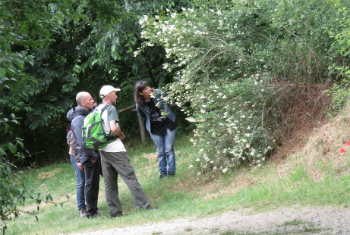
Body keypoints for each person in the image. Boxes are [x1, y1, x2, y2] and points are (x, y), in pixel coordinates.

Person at [98, 85, 156, 218]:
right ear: (108, 95)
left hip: (103, 149)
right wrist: (122, 135)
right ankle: (144, 206)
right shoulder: (110, 108)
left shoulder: (97, 109)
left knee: (109, 183)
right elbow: (113, 128)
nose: (116, 96)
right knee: (130, 178)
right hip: (115, 149)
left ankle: (115, 213)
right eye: (114, 94)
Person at [67, 92, 101, 218]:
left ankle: (94, 208)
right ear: (83, 103)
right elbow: (81, 142)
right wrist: (91, 156)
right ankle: (90, 211)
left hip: (93, 154)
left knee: (94, 182)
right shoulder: (78, 120)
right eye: (90, 99)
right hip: (88, 156)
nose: (93, 101)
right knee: (89, 183)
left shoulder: (85, 115)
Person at [134, 81, 177, 180]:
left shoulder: (158, 93)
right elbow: (142, 115)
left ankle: (171, 172)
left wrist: (166, 113)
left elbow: (168, 102)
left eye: (148, 86)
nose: (149, 89)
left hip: (168, 123)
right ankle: (162, 173)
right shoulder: (139, 104)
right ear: (140, 93)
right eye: (145, 89)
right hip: (154, 128)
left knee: (169, 149)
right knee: (161, 152)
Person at [66, 126, 87, 217]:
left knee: (90, 180)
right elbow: (73, 145)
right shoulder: (78, 123)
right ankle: (82, 208)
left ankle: (92, 206)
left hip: (86, 153)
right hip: (76, 155)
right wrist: (78, 161)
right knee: (81, 181)